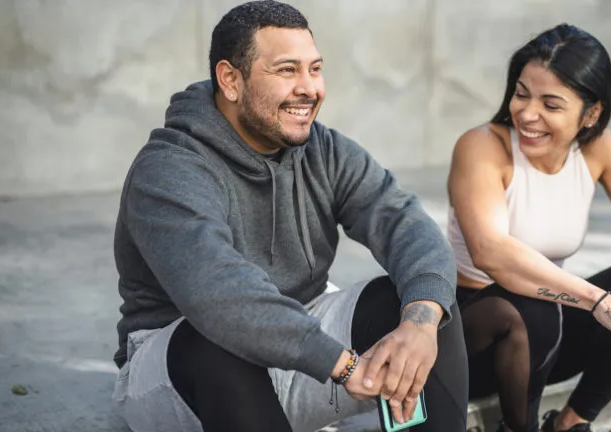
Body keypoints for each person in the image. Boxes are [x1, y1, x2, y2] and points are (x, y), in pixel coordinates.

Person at [110, 2, 468, 431]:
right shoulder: (170, 169)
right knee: (218, 342)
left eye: (314, 69)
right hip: (180, 374)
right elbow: (220, 297)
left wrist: (420, 323)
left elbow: (407, 225)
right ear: (231, 80)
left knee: (421, 302)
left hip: (302, 343)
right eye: (286, 70)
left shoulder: (325, 150)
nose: (309, 88)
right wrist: (341, 364)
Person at [447, 23, 611, 432]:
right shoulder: (482, 147)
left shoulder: (598, 150)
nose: (527, 113)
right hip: (472, 339)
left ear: (591, 114)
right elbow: (490, 250)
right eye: (521, 93)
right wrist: (600, 302)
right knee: (538, 304)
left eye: (551, 104)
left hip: (544, 343)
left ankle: (569, 423)